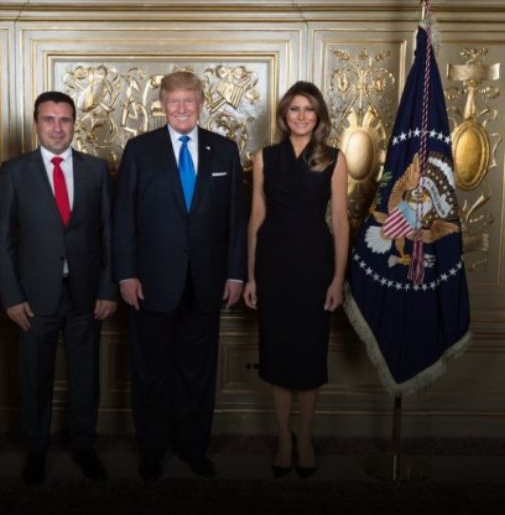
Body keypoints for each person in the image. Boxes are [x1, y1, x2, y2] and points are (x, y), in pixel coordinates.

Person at [113, 71, 247, 481]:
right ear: (162, 105)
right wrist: (126, 274)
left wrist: (235, 274)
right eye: (174, 102)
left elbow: (236, 220)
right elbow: (124, 218)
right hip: (151, 283)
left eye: (189, 100)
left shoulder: (224, 150)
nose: (182, 108)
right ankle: (151, 451)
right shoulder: (140, 150)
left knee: (198, 374)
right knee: (151, 373)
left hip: (206, 284)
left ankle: (194, 448)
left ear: (201, 103)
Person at [0, 91, 117, 486]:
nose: (57, 127)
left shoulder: (96, 170)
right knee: (34, 377)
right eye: (49, 119)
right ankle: (36, 449)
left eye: (65, 120)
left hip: (86, 294)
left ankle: (84, 447)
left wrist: (108, 289)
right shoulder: (15, 171)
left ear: (74, 124)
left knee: (86, 377)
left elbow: (108, 235)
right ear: (36, 124)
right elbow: (2, 240)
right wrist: (12, 296)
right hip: (33, 296)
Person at [243, 81, 349, 478]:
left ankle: (304, 436)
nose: (301, 116)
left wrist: (337, 279)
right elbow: (256, 219)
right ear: (284, 116)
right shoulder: (265, 157)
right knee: (277, 354)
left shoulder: (333, 158)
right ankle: (283, 438)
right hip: (273, 265)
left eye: (309, 109)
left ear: (318, 116)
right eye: (294, 109)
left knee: (308, 354)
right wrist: (251, 276)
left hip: (314, 265)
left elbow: (340, 222)